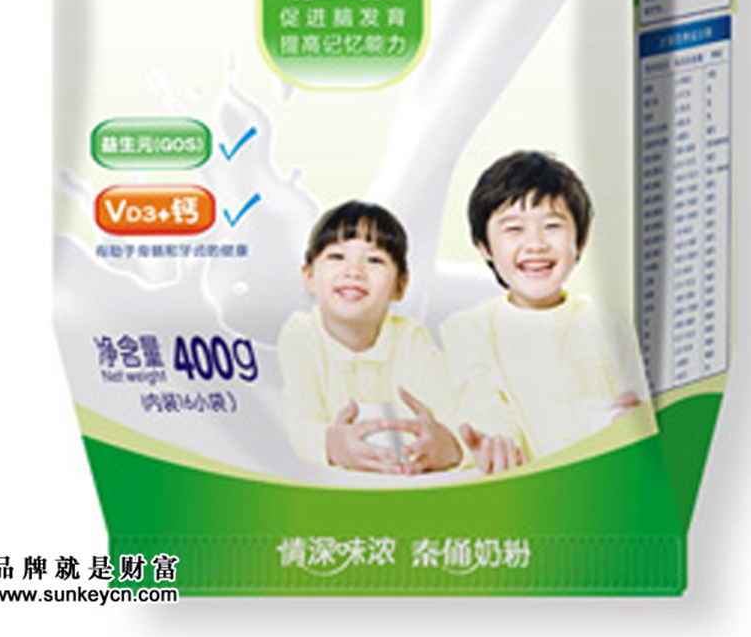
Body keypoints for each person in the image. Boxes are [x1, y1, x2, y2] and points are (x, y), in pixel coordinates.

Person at [441, 151, 650, 474]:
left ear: (580, 241)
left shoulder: (607, 326)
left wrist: (637, 421)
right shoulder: (466, 331)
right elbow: (479, 407)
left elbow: (640, 403)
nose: (536, 244)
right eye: (514, 229)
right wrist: (492, 444)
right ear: (484, 246)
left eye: (552, 226)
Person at [278, 199, 462, 474]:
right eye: (337, 257)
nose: (354, 271)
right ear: (309, 277)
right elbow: (298, 422)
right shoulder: (302, 334)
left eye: (374, 260)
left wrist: (450, 446)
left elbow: (460, 416)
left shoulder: (410, 338)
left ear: (400, 286)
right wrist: (331, 445)